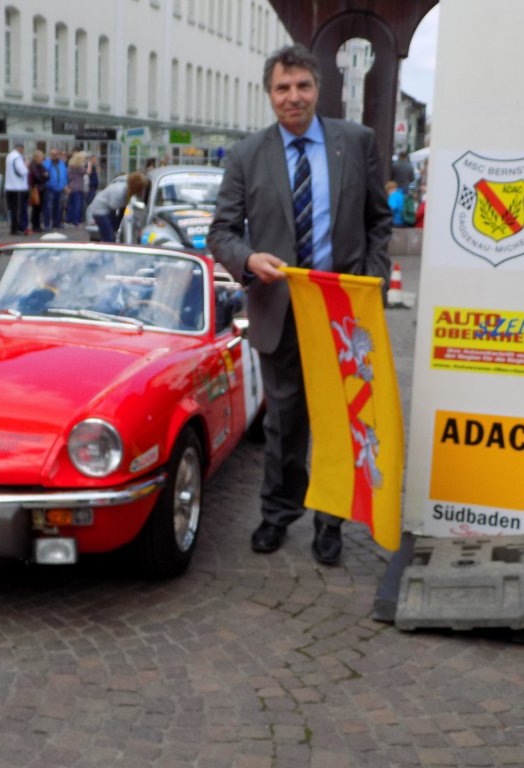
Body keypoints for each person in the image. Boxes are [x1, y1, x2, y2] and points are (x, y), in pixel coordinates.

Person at [207, 43, 392, 565]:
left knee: (338, 420)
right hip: (279, 308)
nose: (294, 97)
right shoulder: (247, 155)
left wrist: (372, 283)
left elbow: (379, 220)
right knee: (283, 422)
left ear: (318, 89)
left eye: (303, 86)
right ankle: (278, 512)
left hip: (342, 313)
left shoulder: (356, 142)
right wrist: (248, 259)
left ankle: (330, 520)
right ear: (270, 95)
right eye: (282, 88)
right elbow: (222, 232)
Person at [87, 172, 148, 243]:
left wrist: (116, 228)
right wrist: (114, 228)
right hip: (99, 210)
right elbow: (113, 211)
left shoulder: (127, 191)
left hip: (105, 210)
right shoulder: (120, 191)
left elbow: (121, 211)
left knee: (109, 236)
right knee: (109, 237)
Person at [4, 141, 29, 235]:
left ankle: (13, 228)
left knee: (13, 209)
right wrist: (26, 166)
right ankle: (18, 228)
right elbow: (22, 171)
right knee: (19, 210)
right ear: (21, 148)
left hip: (9, 187)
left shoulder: (9, 156)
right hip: (18, 187)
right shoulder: (18, 157)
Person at [43, 148, 68, 231]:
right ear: (50, 155)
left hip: (60, 189)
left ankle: (57, 223)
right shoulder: (47, 162)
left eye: (55, 154)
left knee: (58, 207)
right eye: (52, 154)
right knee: (48, 207)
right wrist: (50, 161)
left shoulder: (61, 163)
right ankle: (47, 224)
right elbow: (44, 172)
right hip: (50, 189)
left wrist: (65, 184)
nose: (54, 156)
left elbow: (65, 174)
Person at [28, 149, 48, 233]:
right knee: (36, 208)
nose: (42, 159)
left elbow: (48, 175)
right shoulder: (33, 166)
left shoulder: (41, 166)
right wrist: (44, 176)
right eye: (41, 157)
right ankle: (35, 226)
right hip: (35, 189)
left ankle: (38, 225)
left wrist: (44, 176)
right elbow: (37, 177)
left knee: (39, 208)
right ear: (36, 158)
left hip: (41, 189)